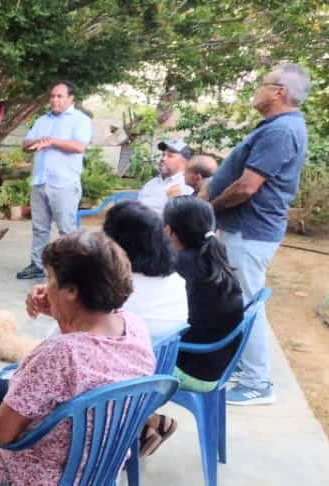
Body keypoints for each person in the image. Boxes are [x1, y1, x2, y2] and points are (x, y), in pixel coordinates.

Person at [0, 231, 155, 485]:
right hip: (96, 471)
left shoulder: (60, 355)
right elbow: (83, 345)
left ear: (71, 291)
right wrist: (61, 310)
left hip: (38, 476)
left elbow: (1, 432)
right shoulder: (134, 328)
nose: (46, 287)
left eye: (51, 279)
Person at [208, 63, 311, 406]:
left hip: (250, 232)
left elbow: (247, 186)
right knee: (239, 302)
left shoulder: (280, 131)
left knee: (248, 305)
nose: (257, 90)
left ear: (279, 92)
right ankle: (245, 368)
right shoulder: (277, 127)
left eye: (263, 84)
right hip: (246, 230)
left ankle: (258, 382)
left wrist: (211, 207)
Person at [139, 196, 246, 456]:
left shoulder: (180, 268)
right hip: (215, 363)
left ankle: (143, 428)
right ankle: (153, 422)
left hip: (194, 369)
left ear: (168, 230)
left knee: (115, 363)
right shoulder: (214, 255)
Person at [16, 81, 93, 280]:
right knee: (39, 228)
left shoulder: (80, 120)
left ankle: (70, 271)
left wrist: (52, 141)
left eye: (59, 96)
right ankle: (36, 265)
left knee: (67, 230)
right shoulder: (42, 120)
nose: (54, 100)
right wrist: (37, 142)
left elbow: (78, 146)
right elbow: (25, 144)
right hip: (40, 181)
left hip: (64, 183)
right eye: (52, 96)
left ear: (70, 98)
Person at [103, 200, 188, 335]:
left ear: (115, 243)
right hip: (165, 354)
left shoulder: (114, 290)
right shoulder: (177, 280)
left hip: (124, 352)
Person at [139, 139, 194, 213]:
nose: (162, 159)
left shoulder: (188, 186)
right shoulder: (151, 183)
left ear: (185, 162)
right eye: (163, 154)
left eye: (170, 156)